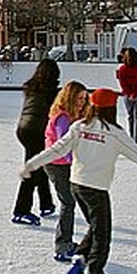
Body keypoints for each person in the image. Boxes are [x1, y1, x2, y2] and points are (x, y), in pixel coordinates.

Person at [20, 88, 137, 274]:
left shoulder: (79, 126)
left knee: (96, 228)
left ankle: (76, 271)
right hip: (95, 190)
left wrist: (32, 164)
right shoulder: (114, 133)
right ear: (112, 108)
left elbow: (57, 149)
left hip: (77, 185)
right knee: (102, 237)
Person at [43, 80, 90, 263]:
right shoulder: (62, 117)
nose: (81, 102)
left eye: (84, 99)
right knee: (68, 202)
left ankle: (66, 242)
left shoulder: (74, 115)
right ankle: (62, 245)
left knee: (71, 201)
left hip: (65, 164)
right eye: (79, 98)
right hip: (57, 164)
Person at [11, 58, 59, 225]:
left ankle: (46, 203)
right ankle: (21, 210)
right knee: (33, 170)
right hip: (36, 131)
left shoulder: (31, 87)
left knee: (40, 165)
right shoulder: (51, 90)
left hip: (23, 129)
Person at [116, 47, 137, 146]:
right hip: (136, 94)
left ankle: (135, 140)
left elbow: (123, 83)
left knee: (133, 117)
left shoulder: (123, 69)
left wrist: (131, 94)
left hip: (132, 95)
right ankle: (136, 140)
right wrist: (133, 94)